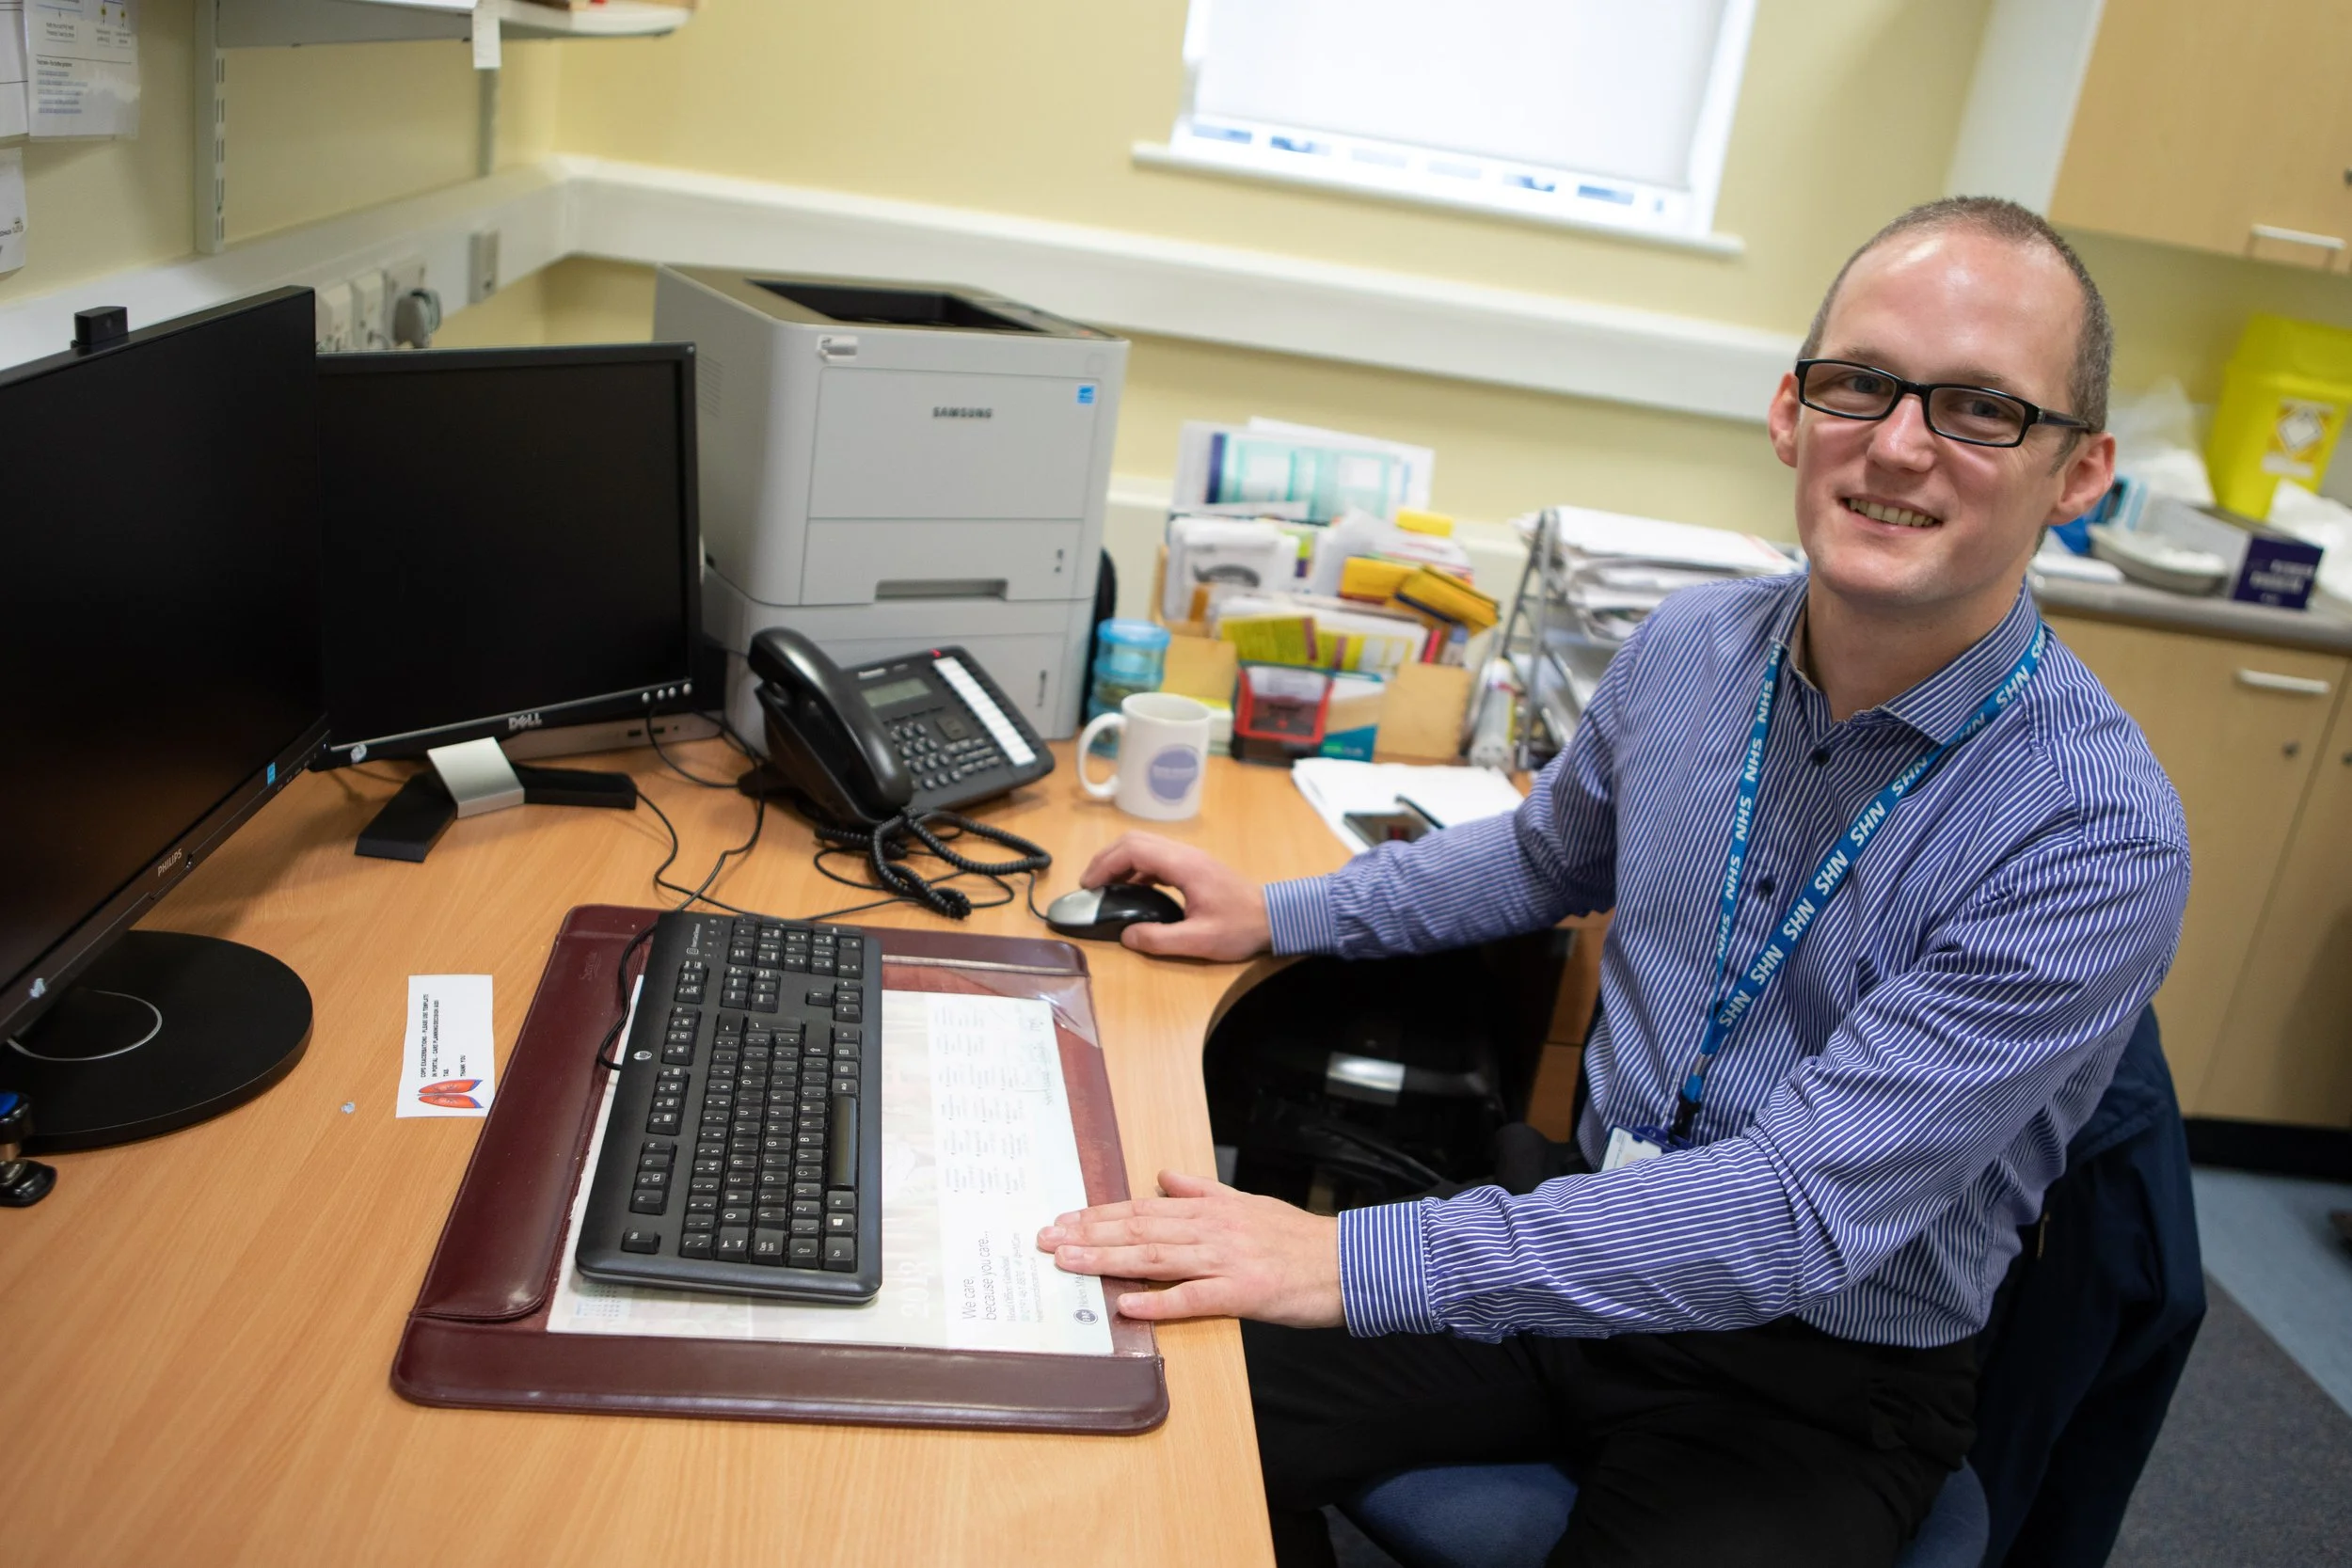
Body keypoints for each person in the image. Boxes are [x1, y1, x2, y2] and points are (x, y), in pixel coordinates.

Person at [1033, 197, 2192, 1568]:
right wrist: (1281, 910)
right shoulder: (1695, 645)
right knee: (1132, 1405)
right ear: (1789, 411)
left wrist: (1351, 1259)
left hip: (1813, 1374)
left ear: (2078, 472)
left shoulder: (2093, 830)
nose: (1897, 443)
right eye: (1861, 383)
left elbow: (1797, 1212)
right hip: (1575, 1258)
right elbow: (1542, 854)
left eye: (1981, 408)